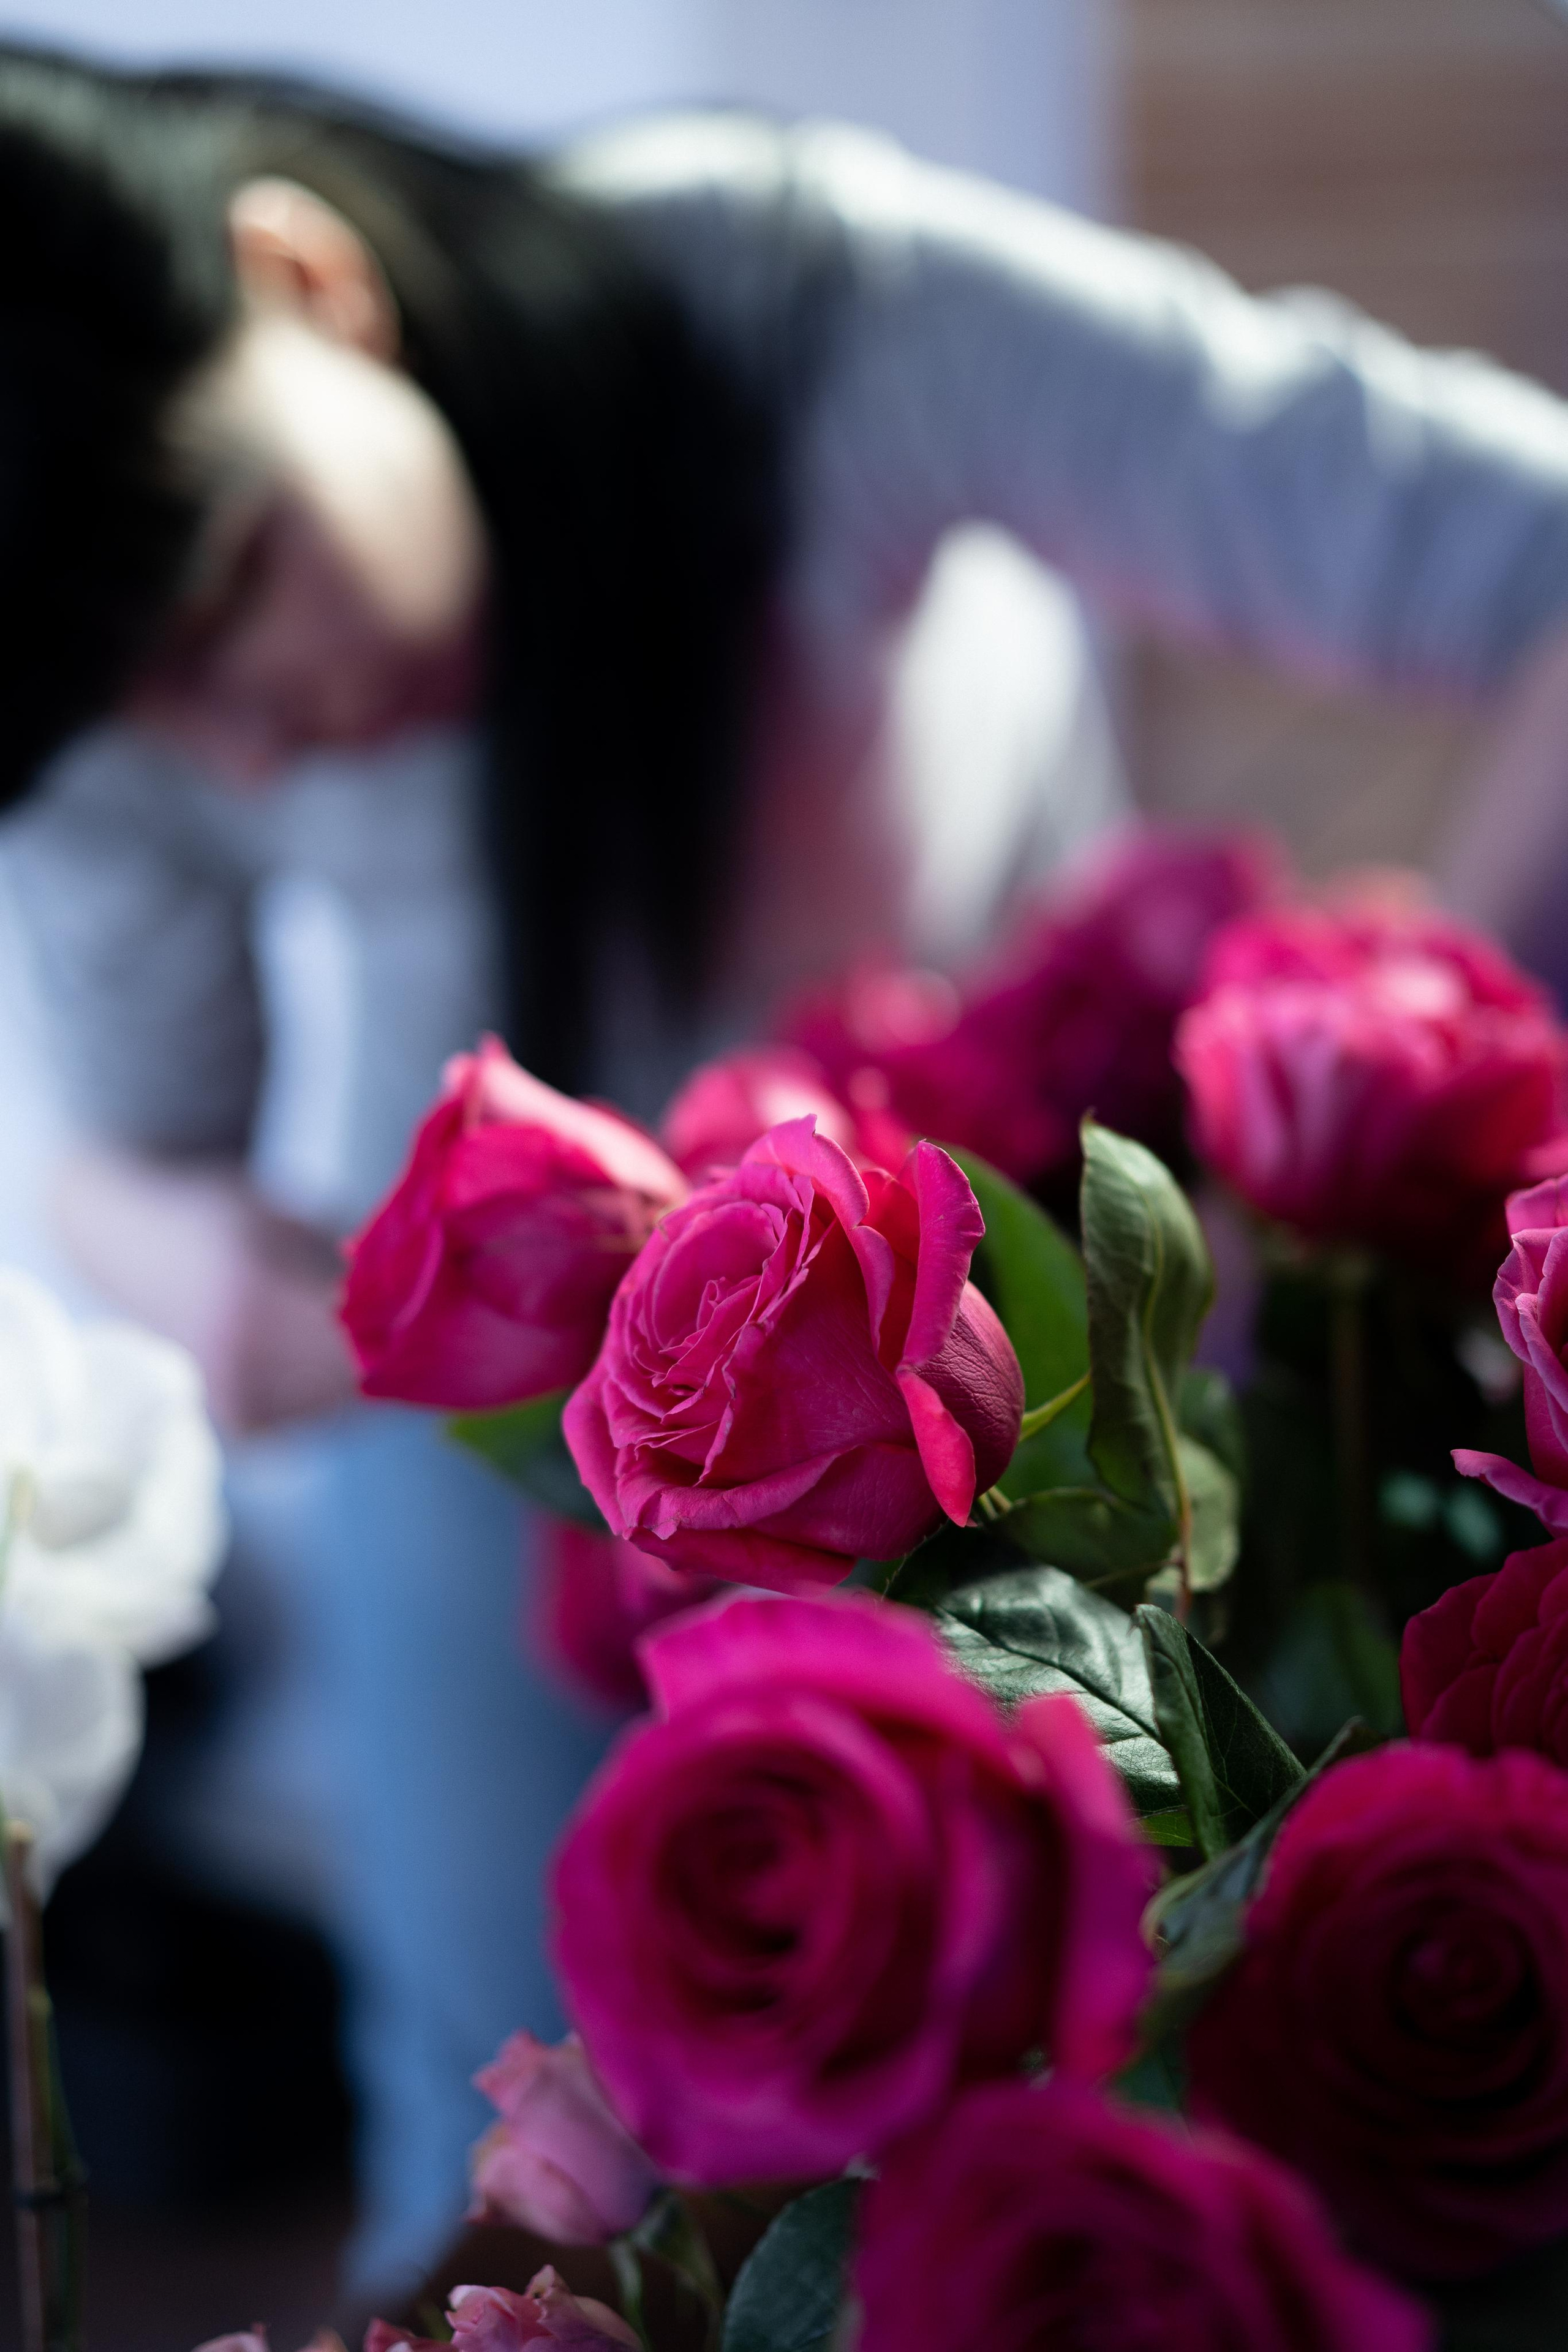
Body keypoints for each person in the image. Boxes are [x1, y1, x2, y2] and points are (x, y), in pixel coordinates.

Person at [6, 40, 1568, 2294]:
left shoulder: (794, 305)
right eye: (148, 712)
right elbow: (124, 1157)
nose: (242, 745)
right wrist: (246, 1305)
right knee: (516, 2198)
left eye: (243, 575)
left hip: (1031, 1376)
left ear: (304, 278)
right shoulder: (96, 642)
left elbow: (1538, 556)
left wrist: (1361, 1091)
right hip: (514, 1473)